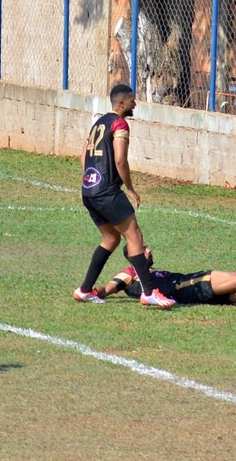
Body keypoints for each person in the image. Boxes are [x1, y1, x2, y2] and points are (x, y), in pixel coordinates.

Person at [73, 84, 175, 309]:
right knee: (134, 235)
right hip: (107, 192)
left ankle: (85, 289)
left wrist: (92, 179)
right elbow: (120, 160)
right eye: (132, 100)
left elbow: (83, 157)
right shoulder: (120, 124)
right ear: (121, 104)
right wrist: (129, 188)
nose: (135, 104)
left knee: (111, 239)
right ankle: (149, 293)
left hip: (89, 191)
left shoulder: (97, 124)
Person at [95, 244, 236, 309]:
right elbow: (106, 290)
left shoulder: (148, 273)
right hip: (187, 285)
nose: (149, 250)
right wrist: (94, 291)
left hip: (188, 292)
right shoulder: (129, 274)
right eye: (144, 249)